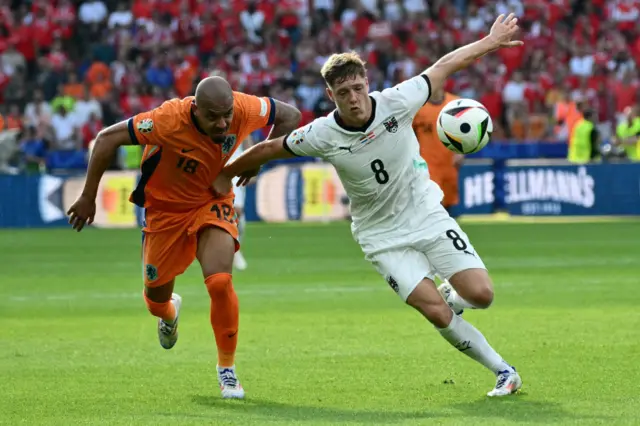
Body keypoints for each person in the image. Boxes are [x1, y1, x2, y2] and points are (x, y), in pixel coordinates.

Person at [216, 14, 523, 397]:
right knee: (436, 313)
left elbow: (444, 65)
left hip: (425, 213)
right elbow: (269, 147)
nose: (354, 99)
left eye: (358, 88)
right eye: (344, 93)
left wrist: (491, 41)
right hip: (380, 236)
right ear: (331, 96)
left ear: (368, 84)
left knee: (482, 295)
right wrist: (224, 176)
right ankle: (503, 372)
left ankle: (453, 295)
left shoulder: (398, 100)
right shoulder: (322, 133)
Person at [66, 76, 301, 399]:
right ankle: (170, 313)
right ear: (196, 109)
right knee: (155, 301)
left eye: (226, 115)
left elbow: (290, 115)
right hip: (164, 215)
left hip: (211, 201)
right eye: (213, 117)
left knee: (220, 282)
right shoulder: (166, 120)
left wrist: (258, 159)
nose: (222, 124)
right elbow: (107, 139)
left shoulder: (244, 107)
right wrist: (88, 196)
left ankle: (227, 371)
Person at [412, 88, 463, 216]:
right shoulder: (418, 107)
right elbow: (408, 134)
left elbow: (465, 132)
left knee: (449, 209)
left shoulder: (455, 103)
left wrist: (461, 151)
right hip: (427, 164)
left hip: (449, 163)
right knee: (433, 206)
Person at [229, 135, 254, 271]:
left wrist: (253, 163)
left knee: (237, 210)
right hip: (215, 166)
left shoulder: (237, 117)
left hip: (236, 166)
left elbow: (247, 140)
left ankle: (236, 250)